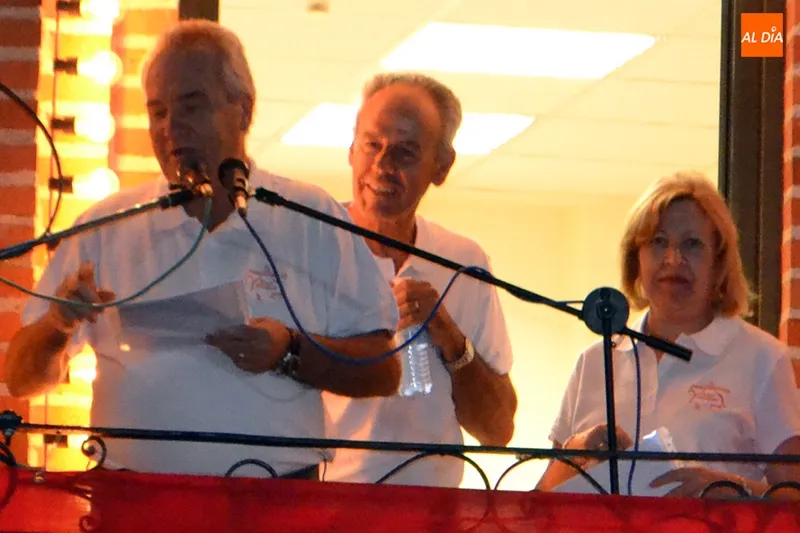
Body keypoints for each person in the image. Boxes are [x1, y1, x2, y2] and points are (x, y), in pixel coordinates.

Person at [4, 20, 401, 480]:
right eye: (157, 112)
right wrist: (58, 323)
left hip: (277, 498)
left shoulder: (309, 214)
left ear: (243, 111)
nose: (171, 128)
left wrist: (289, 351)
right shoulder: (107, 224)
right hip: (130, 495)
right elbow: (20, 377)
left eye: (192, 106)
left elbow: (383, 370)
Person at [536, 172, 800, 498]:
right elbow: (541, 503)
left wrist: (728, 489)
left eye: (692, 244)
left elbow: (793, 499)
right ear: (636, 259)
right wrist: (576, 451)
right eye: (658, 242)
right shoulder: (595, 361)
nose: (673, 260)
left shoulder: (761, 357)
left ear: (718, 263)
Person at [322, 73, 517, 487]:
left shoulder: (464, 262)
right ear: (351, 149)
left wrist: (451, 338)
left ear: (441, 167)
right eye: (371, 144)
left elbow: (498, 430)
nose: (382, 166)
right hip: (326, 500)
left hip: (433, 506)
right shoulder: (311, 242)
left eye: (405, 152)